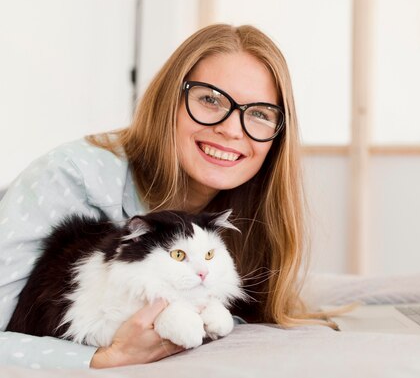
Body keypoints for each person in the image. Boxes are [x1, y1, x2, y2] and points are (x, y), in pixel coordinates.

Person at [0, 24, 321, 369]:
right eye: (210, 99)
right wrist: (101, 358)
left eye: (259, 113)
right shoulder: (69, 176)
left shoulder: (243, 214)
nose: (231, 129)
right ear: (171, 101)